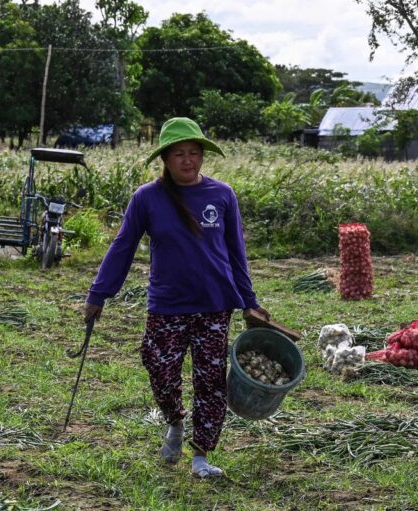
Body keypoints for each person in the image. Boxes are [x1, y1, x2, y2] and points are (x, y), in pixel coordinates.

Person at [83, 117, 270, 478]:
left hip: (215, 304)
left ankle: (201, 455)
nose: (188, 160)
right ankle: (175, 421)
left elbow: (236, 253)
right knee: (158, 366)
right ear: (165, 159)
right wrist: (98, 293)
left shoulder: (222, 194)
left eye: (194, 153)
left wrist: (249, 300)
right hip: (167, 304)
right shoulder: (147, 198)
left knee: (211, 380)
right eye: (180, 154)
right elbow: (123, 246)